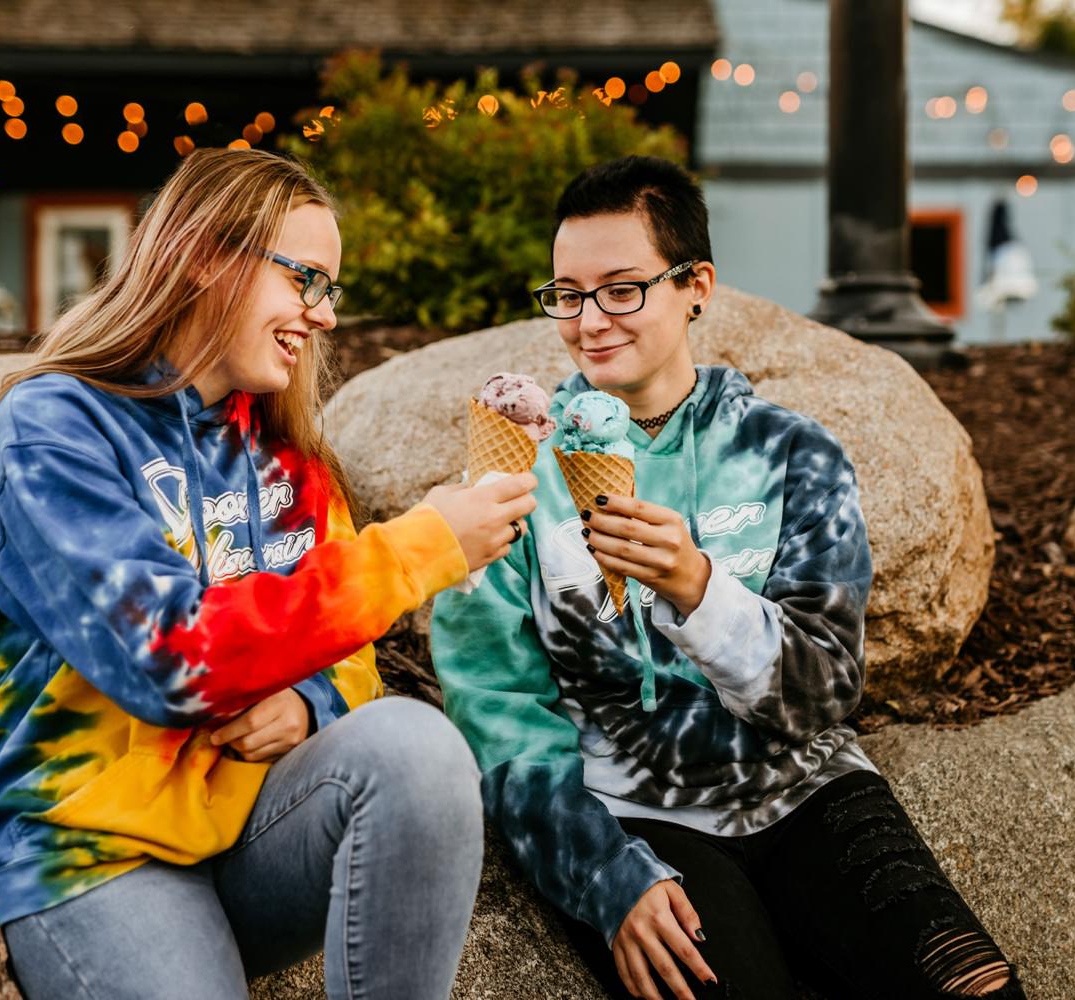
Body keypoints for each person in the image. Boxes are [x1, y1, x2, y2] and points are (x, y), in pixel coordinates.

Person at [0, 148, 538, 1000]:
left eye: (330, 288)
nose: (325, 315)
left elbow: (353, 661)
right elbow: (173, 658)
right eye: (305, 279)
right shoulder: (52, 431)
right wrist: (422, 545)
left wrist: (310, 702)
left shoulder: (291, 462)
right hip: (97, 854)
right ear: (203, 256)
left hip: (259, 830)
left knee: (420, 750)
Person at [430, 156, 1024, 1000]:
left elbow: (827, 689)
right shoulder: (513, 477)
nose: (589, 321)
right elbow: (497, 713)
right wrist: (603, 875)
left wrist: (698, 589)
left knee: (975, 985)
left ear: (696, 287)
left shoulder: (793, 453)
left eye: (621, 290)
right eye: (567, 294)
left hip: (806, 787)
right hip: (632, 812)